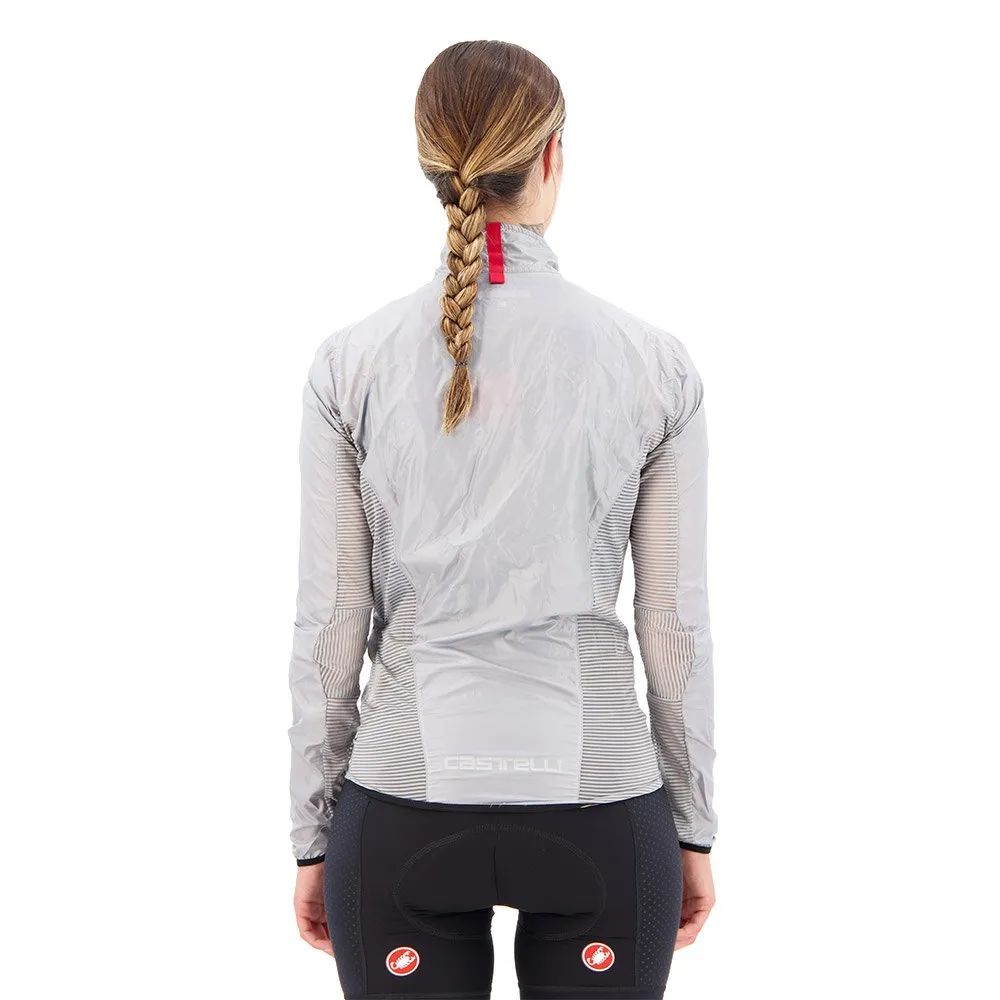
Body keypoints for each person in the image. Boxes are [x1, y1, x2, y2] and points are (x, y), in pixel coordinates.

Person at [288, 39, 717, 1000]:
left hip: (399, 810)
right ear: (553, 155)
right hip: (604, 813)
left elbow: (332, 627)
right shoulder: (654, 364)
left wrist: (314, 836)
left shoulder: (347, 365)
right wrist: (692, 826)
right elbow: (673, 628)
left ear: (429, 163)